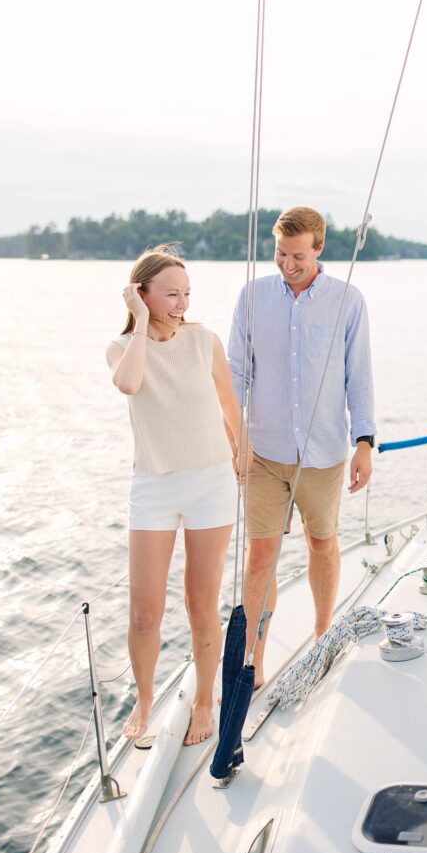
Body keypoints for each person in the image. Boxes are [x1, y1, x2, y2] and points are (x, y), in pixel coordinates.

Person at [227, 206, 375, 687]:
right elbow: (236, 371)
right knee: (260, 555)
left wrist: (365, 442)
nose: (287, 264)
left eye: (296, 256)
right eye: (279, 254)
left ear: (318, 249)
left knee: (321, 543)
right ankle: (253, 658)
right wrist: (234, 431)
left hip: (324, 451)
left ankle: (321, 631)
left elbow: (360, 375)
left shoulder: (348, 300)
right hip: (265, 450)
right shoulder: (252, 296)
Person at [106, 245, 249, 746]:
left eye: (186, 293)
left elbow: (229, 402)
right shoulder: (124, 347)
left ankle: (206, 699)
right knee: (144, 611)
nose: (182, 302)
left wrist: (243, 453)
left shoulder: (204, 340)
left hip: (211, 482)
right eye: (170, 294)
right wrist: (142, 323)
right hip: (154, 486)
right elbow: (129, 384)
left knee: (200, 603)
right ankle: (144, 702)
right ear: (140, 294)